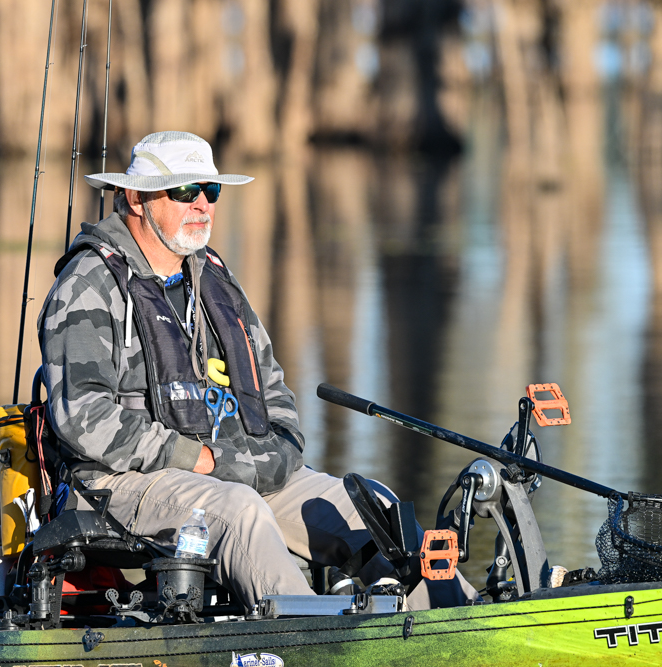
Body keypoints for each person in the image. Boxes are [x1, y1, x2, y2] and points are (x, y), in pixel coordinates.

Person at [38, 131, 477, 609]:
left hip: (232, 468)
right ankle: (319, 637)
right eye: (185, 191)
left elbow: (271, 385)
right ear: (136, 198)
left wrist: (281, 449)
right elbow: (83, 417)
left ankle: (466, 620)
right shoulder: (88, 284)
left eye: (211, 190)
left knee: (370, 506)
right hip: (118, 482)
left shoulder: (213, 276)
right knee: (240, 513)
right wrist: (197, 459)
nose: (202, 204)